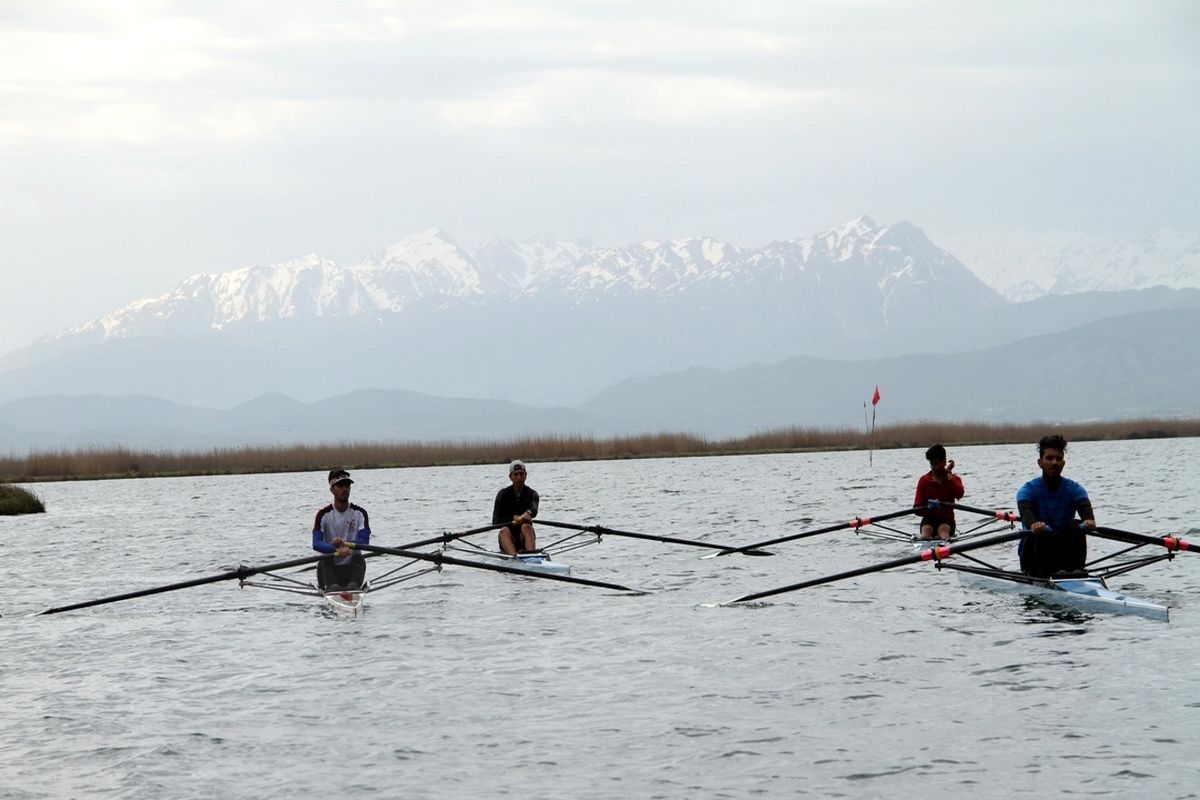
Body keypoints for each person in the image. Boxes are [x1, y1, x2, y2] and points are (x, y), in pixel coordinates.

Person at [1016, 434, 1096, 578]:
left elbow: (1085, 509)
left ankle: (1075, 572)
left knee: (1076, 524)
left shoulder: (1074, 488)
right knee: (1041, 530)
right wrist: (1033, 524)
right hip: (1034, 557)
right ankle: (1047, 574)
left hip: (1064, 556)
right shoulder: (1027, 490)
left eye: (1058, 459)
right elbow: (1025, 512)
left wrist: (1089, 520)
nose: (1054, 463)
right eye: (1049, 458)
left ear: (1063, 464)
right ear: (1040, 462)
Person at [312, 468, 371, 591]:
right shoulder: (323, 515)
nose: (344, 489)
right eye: (340, 486)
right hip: (329, 567)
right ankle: (333, 589)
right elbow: (316, 543)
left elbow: (364, 541)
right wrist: (336, 548)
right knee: (324, 560)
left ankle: (353, 589)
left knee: (359, 558)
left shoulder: (360, 513)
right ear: (332, 490)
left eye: (347, 485)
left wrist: (346, 545)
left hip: (353, 567)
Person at [913, 444, 964, 541]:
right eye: (931, 464)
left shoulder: (954, 479)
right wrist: (928, 508)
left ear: (944, 462)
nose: (933, 467)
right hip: (929, 519)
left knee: (943, 531)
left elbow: (959, 494)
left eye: (936, 464)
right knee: (926, 532)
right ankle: (923, 541)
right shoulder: (923, 480)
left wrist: (949, 473)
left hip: (947, 519)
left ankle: (945, 541)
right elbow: (916, 508)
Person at [493, 460, 539, 555]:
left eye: (521, 474)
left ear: (526, 476)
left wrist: (528, 513)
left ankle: (531, 557)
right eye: (516, 474)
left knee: (527, 526)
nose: (519, 478)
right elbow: (495, 521)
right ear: (510, 477)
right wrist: (514, 518)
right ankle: (514, 558)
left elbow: (534, 509)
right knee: (503, 530)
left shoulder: (532, 494)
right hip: (508, 538)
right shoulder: (502, 495)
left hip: (524, 536)